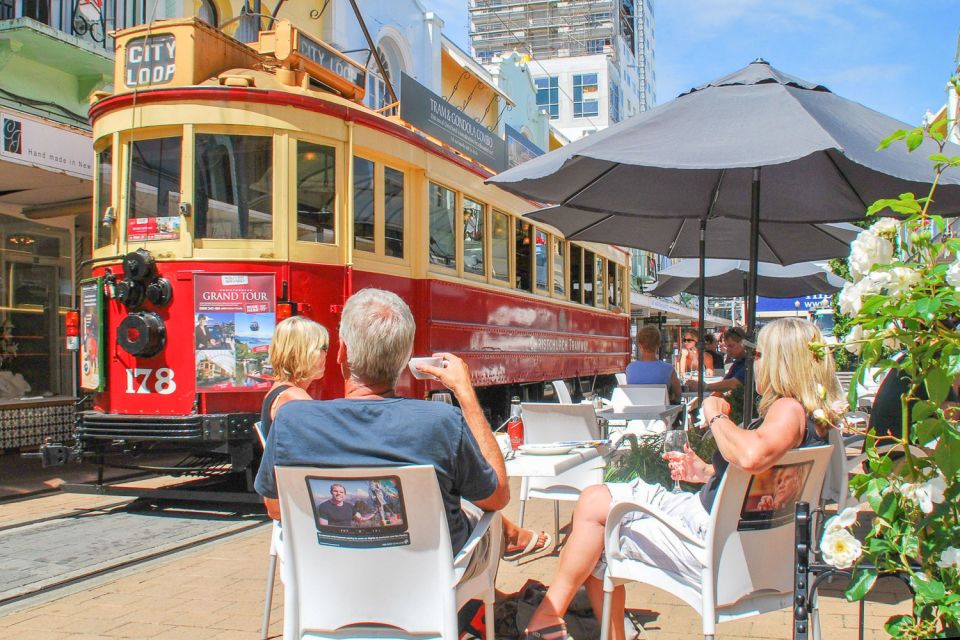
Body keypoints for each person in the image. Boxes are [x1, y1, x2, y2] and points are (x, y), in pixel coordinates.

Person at [521, 318, 841, 640]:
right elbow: (763, 481)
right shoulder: (815, 419)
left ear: (780, 362)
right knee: (594, 504)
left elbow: (751, 456)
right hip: (753, 545)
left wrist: (715, 414)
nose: (753, 363)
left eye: (758, 357)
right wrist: (709, 473)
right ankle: (551, 619)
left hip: (710, 540)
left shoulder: (788, 409)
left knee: (595, 526)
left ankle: (550, 618)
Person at [255, 288, 549, 558]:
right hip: (429, 583)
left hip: (330, 583)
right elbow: (497, 497)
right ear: (406, 358)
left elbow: (276, 507)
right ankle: (482, 609)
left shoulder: (291, 421)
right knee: (481, 517)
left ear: (341, 351)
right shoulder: (441, 422)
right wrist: (466, 395)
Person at [259, 316, 329, 441]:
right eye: (323, 348)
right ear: (304, 352)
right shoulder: (296, 397)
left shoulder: (277, 390)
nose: (326, 353)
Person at [624, 326, 682, 404]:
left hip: (636, 413)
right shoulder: (668, 369)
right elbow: (678, 395)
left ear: (639, 345)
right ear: (658, 345)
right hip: (661, 414)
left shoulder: (630, 368)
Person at [685, 326, 748, 395]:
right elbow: (723, 385)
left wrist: (704, 386)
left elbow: (734, 384)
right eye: (727, 347)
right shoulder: (738, 362)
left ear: (743, 344)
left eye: (731, 346)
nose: (728, 350)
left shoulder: (751, 362)